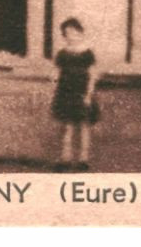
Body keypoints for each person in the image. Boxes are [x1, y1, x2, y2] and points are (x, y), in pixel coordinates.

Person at [51, 17, 100, 172]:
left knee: (84, 126)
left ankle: (83, 159)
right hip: (65, 92)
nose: (70, 36)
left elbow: (93, 75)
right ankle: (65, 158)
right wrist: (53, 86)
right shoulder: (62, 54)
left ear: (80, 34)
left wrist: (88, 95)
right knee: (67, 126)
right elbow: (57, 72)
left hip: (82, 92)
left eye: (73, 33)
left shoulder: (87, 53)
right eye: (66, 34)